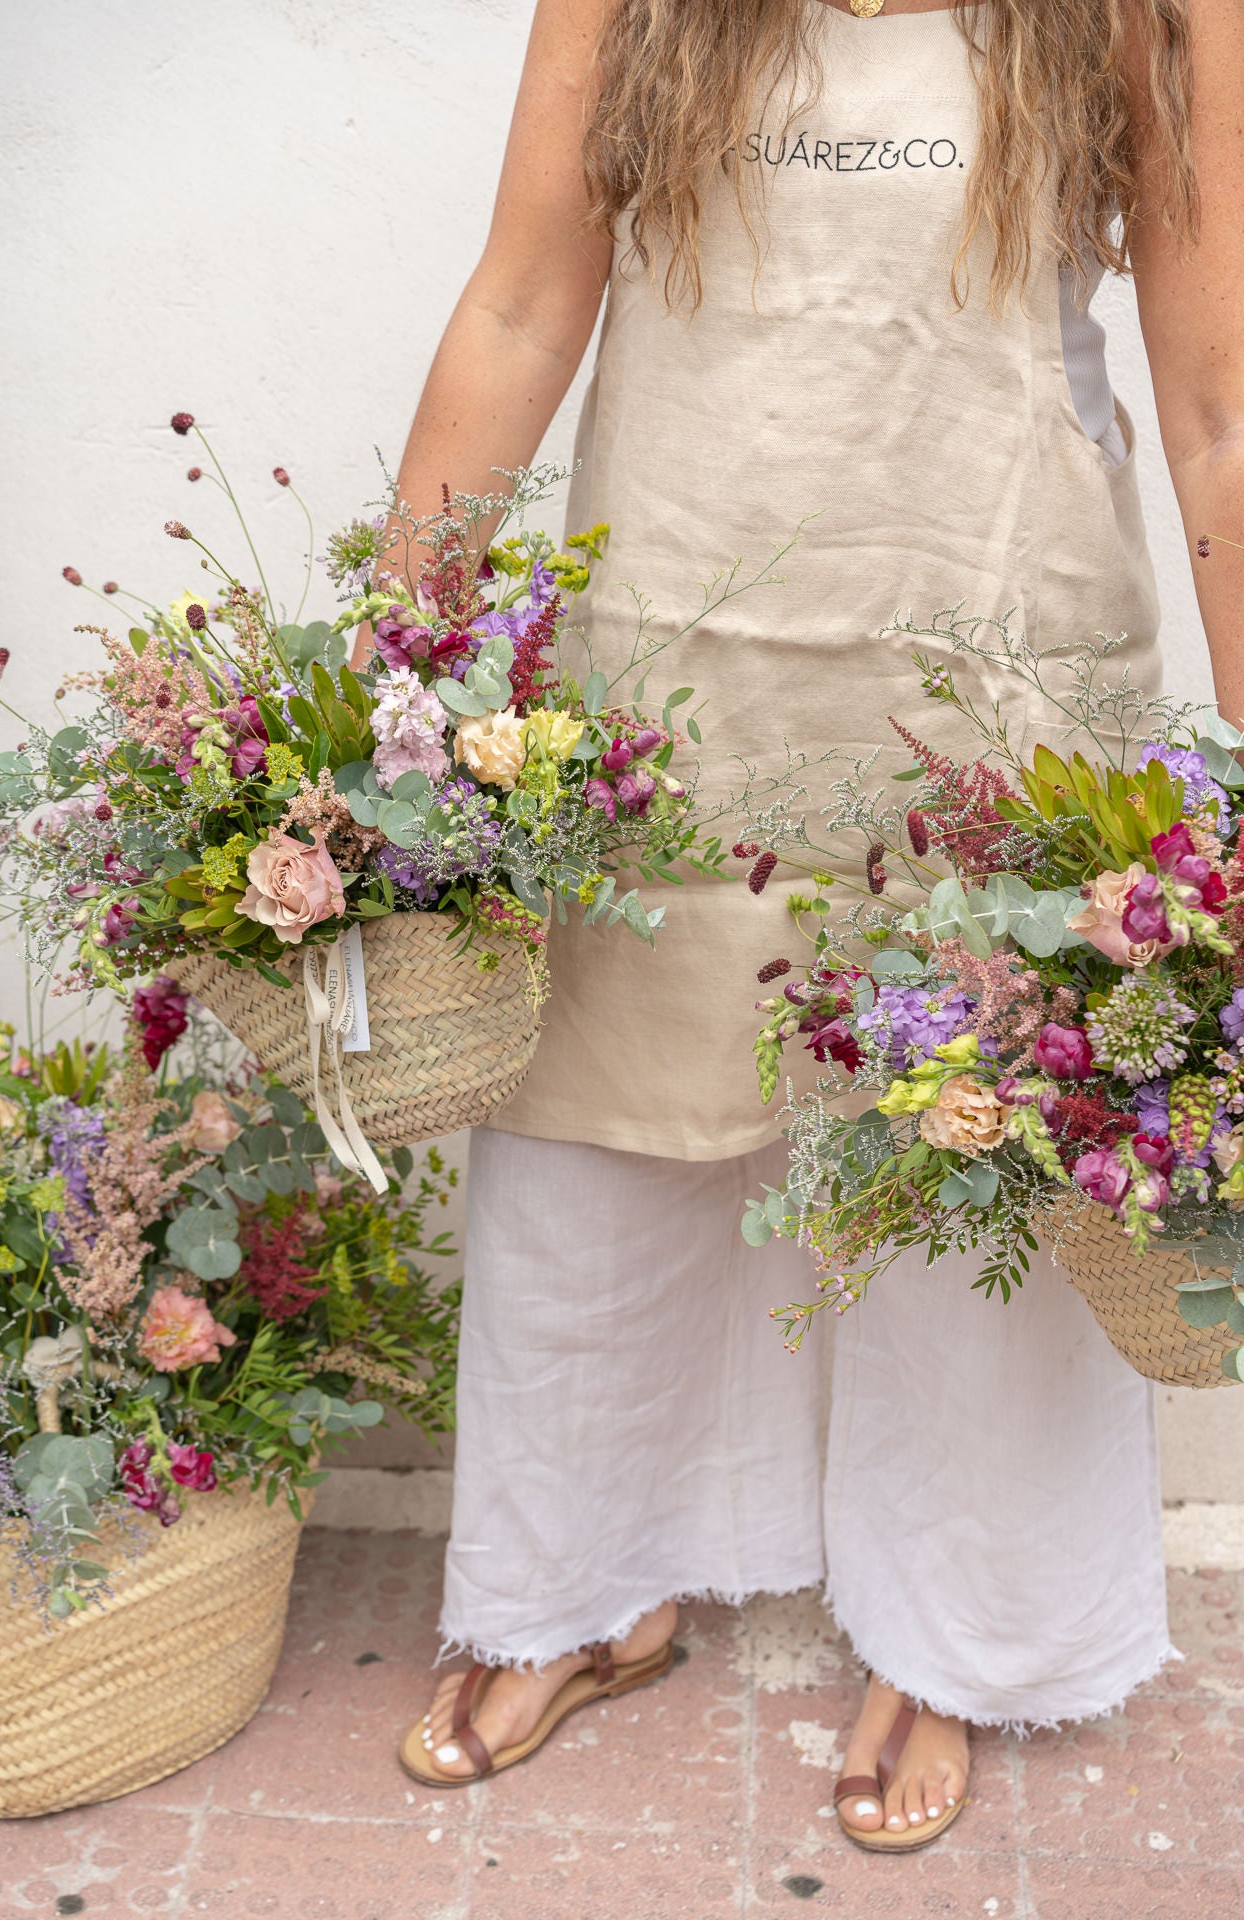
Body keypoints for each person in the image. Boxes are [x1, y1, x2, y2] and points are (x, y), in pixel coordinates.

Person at [374, 0, 1244, 1851]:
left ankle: (948, 1633)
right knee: (613, 1127)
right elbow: (528, 302)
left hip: (998, 682)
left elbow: (1219, 393)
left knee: (973, 1152)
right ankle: (587, 1579)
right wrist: (388, 695)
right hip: (679, 666)